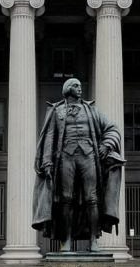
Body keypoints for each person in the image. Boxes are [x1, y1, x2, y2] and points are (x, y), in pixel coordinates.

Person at [32, 78, 125, 251]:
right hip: (66, 158)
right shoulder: (56, 111)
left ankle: (93, 241)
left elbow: (112, 128)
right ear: (67, 89)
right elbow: (50, 136)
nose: (80, 89)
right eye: (76, 86)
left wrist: (106, 145)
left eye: (81, 86)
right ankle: (66, 241)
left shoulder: (92, 110)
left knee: (92, 199)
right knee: (66, 199)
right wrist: (46, 161)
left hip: (89, 157)